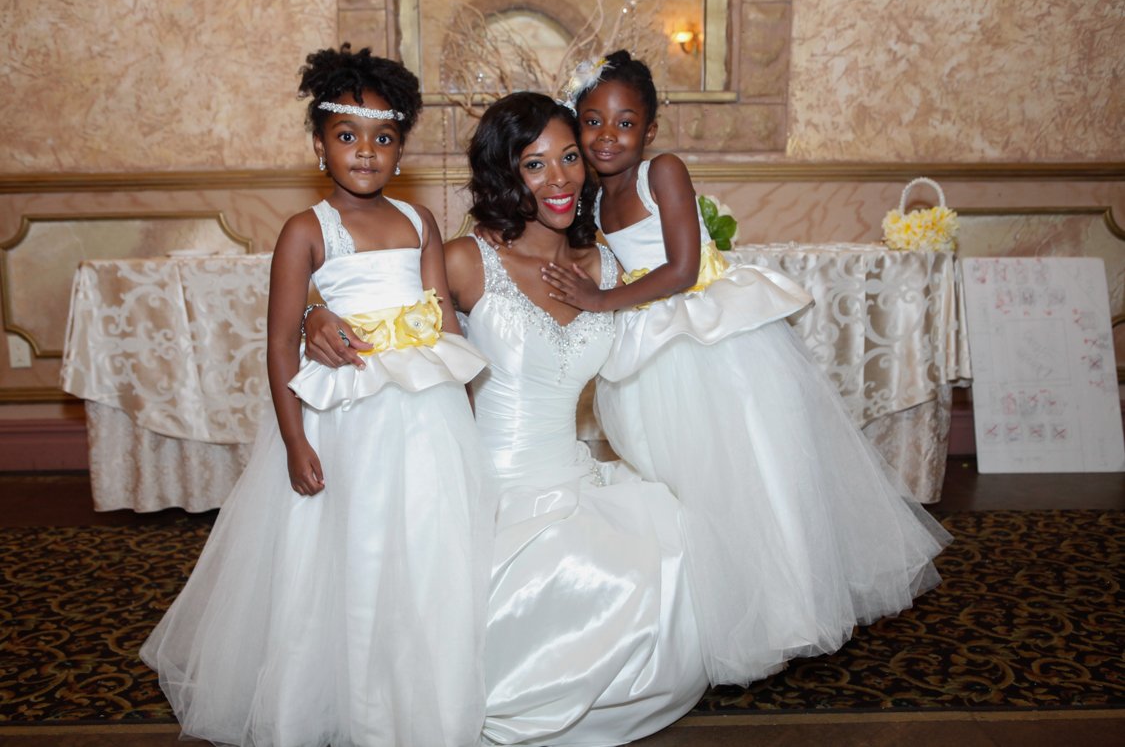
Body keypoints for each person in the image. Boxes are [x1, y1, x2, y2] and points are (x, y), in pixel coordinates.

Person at [306, 91, 708, 746]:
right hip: (483, 489)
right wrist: (311, 315)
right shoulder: (467, 261)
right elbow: (370, 298)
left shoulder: (606, 266)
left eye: (570, 158)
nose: (559, 178)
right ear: (505, 174)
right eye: (534, 163)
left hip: (573, 480)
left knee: (670, 560)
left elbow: (682, 305)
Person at [541, 50, 953, 686]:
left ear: (649, 131)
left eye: (625, 123)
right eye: (592, 122)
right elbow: (606, 261)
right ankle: (717, 606)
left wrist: (599, 299)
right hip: (654, 348)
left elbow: (679, 269)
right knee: (692, 481)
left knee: (752, 473)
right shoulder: (590, 199)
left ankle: (789, 610)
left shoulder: (663, 174)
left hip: (715, 341)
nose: (607, 136)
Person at [140, 45, 493, 747]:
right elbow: (278, 345)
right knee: (350, 550)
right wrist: (297, 440)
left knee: (422, 547)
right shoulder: (306, 230)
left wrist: (468, 414)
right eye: (347, 136)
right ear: (318, 145)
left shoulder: (422, 221)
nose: (365, 152)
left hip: (425, 413)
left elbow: (441, 322)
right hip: (348, 417)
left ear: (400, 149)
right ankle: (335, 702)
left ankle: (415, 695)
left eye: (383, 138)